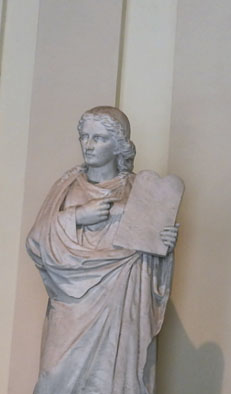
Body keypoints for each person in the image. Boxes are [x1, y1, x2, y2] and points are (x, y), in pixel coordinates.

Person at [26, 106, 179, 394]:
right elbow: (35, 242)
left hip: (121, 300)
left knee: (113, 380)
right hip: (72, 305)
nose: (89, 144)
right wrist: (77, 216)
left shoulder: (139, 191)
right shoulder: (67, 186)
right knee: (53, 377)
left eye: (99, 138)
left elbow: (149, 258)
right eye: (84, 136)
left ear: (118, 144)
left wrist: (165, 248)